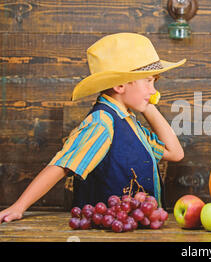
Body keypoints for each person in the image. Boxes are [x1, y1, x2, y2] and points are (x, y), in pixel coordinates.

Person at [0, 33, 186, 223]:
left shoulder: (130, 122)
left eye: (155, 81)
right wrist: (19, 207)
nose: (154, 90)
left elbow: (175, 153)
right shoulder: (102, 123)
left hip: (135, 231)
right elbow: (63, 165)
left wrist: (148, 105)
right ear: (120, 84)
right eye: (148, 81)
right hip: (108, 232)